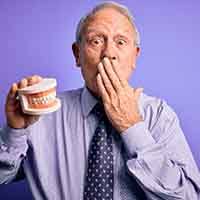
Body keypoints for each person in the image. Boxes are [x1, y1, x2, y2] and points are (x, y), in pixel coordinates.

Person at [0, 1, 200, 200]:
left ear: (134, 57)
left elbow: (189, 197)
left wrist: (132, 127)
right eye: (96, 41)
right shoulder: (43, 114)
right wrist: (15, 131)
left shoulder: (158, 116)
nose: (108, 54)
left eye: (120, 42)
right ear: (77, 54)